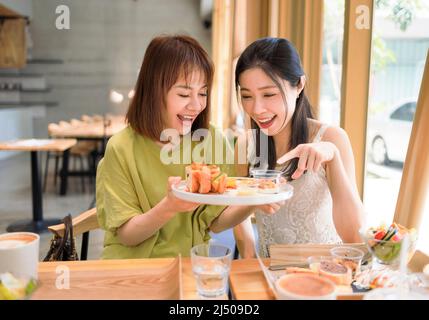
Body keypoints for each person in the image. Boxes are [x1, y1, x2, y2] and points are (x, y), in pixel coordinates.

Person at [96, 35, 280, 259]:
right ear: (153, 92)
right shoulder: (121, 148)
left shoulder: (211, 139)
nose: (196, 105)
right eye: (184, 94)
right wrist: (169, 207)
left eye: (202, 93)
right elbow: (127, 236)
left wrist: (253, 201)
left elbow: (216, 223)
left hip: (189, 265)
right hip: (132, 270)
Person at [233, 37, 365, 258]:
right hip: (270, 278)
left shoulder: (332, 138)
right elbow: (239, 212)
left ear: (299, 85)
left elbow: (355, 236)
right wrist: (249, 257)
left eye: (269, 94)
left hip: (325, 277)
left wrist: (333, 158)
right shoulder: (246, 144)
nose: (257, 109)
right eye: (247, 96)